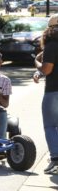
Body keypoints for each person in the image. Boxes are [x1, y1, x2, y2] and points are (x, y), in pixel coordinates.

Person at [33, 14, 58, 174]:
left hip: (54, 91)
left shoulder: (52, 45)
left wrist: (36, 63)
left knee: (50, 125)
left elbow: (47, 69)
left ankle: (55, 159)